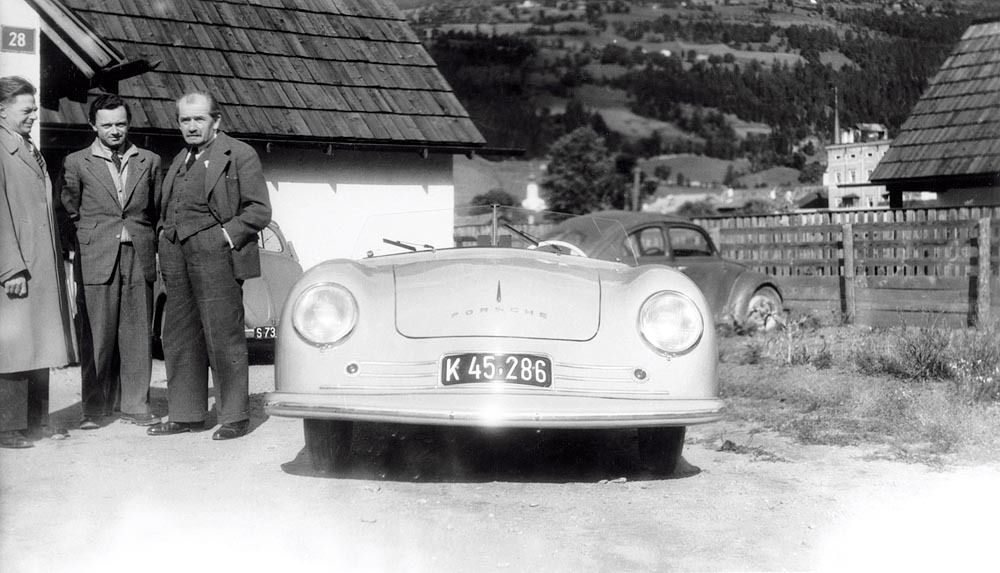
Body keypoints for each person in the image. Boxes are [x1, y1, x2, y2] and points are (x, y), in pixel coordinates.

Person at [147, 92, 270, 440]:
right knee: (179, 334)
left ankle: (235, 416)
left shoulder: (239, 154)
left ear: (216, 121)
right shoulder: (181, 158)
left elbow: (259, 210)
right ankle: (186, 414)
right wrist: (164, 235)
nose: (191, 126)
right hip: (176, 254)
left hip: (217, 255)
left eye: (198, 119)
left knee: (223, 335)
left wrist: (223, 237)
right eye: (185, 120)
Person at [60, 94, 162, 429]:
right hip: (96, 255)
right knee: (97, 336)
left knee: (137, 334)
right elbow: (69, 209)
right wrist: (90, 237)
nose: (115, 131)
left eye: (120, 124)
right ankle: (93, 408)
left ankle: (135, 404)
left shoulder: (149, 160)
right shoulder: (77, 162)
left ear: (128, 124)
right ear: (93, 125)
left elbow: (156, 208)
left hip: (138, 254)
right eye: (107, 125)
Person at [0, 76, 76, 448]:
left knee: (41, 340)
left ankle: (36, 421)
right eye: (26, 110)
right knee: (15, 345)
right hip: (17, 266)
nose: (33, 116)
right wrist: (9, 267)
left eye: (34, 109)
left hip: (40, 261)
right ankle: (8, 427)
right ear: (1, 110)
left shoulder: (27, 146)